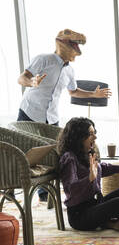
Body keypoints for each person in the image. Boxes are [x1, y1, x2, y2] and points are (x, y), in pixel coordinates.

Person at [17, 29, 111, 201]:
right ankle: (19, 187)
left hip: (51, 117)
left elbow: (73, 91)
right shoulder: (43, 59)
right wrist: (32, 82)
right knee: (27, 152)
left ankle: (46, 193)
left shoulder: (70, 71)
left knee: (53, 152)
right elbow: (22, 77)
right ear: (61, 41)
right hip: (30, 111)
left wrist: (93, 95)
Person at [58, 117, 119, 231]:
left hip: (95, 204)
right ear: (78, 137)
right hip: (80, 215)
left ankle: (108, 221)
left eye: (94, 133)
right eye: (90, 134)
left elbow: (101, 168)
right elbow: (70, 189)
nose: (95, 137)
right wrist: (89, 179)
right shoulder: (69, 158)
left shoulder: (87, 153)